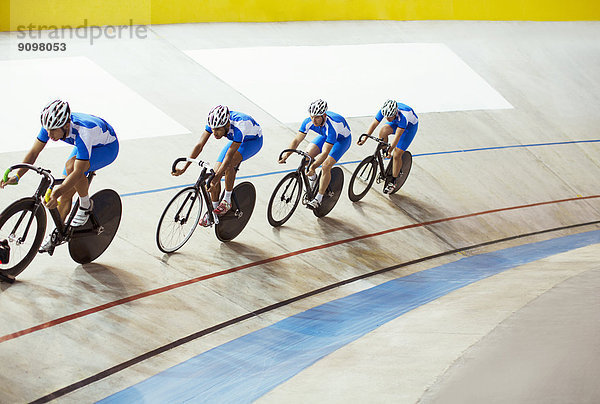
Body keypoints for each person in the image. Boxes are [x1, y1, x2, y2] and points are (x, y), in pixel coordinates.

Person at [0, 99, 119, 252]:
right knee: (65, 193)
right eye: (47, 130)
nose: (49, 135)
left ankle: (85, 204)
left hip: (106, 148)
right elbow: (34, 152)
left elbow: (77, 172)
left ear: (66, 125)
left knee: (71, 169)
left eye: (54, 131)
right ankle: (57, 234)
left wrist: (56, 192)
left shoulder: (84, 132)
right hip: (86, 145)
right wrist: (17, 176)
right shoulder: (51, 126)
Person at [172, 105, 263, 226]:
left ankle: (227, 200)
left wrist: (217, 179)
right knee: (214, 174)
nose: (215, 133)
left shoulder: (240, 126)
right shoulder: (214, 122)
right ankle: (213, 213)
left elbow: (228, 158)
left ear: (227, 125)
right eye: (213, 129)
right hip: (236, 140)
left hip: (252, 142)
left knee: (229, 165)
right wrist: (184, 168)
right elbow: (199, 145)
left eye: (218, 130)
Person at [279, 99, 351, 209]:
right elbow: (297, 140)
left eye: (317, 117)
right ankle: (313, 179)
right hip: (325, 136)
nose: (314, 120)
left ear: (324, 115)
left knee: (326, 165)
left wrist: (313, 166)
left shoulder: (332, 127)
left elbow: (325, 152)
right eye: (312, 116)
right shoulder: (308, 121)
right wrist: (286, 155)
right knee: (306, 156)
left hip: (341, 140)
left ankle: (319, 198)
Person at [358, 99, 418, 193]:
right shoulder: (384, 110)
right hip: (396, 122)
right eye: (386, 116)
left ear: (395, 113)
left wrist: (390, 150)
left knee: (397, 154)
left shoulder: (403, 117)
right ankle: (384, 151)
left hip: (409, 128)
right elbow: (374, 124)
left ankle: (393, 182)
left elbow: (398, 136)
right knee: (383, 130)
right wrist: (365, 138)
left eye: (389, 116)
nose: (387, 119)